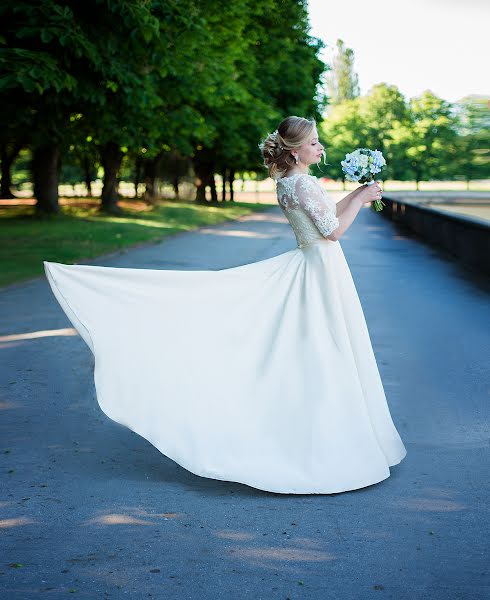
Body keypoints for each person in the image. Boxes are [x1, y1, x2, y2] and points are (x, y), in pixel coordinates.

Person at [44, 115, 407, 495]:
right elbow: (333, 232)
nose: (320, 148)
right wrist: (363, 201)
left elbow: (327, 213)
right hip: (319, 268)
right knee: (325, 348)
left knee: (321, 347)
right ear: (296, 151)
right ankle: (324, 449)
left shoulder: (291, 182)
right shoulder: (302, 182)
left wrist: (356, 194)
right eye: (314, 142)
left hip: (317, 265)